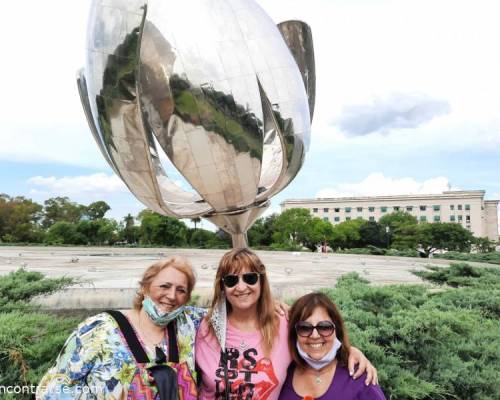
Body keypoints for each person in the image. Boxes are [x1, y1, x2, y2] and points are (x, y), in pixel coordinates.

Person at [195, 248, 377, 400]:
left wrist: (350, 351)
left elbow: (316, 338)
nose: (241, 287)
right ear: (222, 286)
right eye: (231, 280)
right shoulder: (204, 327)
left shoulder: (283, 323)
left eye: (250, 278)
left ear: (261, 281)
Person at [37, 256, 205, 399]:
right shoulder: (99, 329)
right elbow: (54, 389)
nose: (172, 296)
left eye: (181, 290)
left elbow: (226, 310)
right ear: (144, 287)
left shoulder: (188, 324)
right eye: (164, 286)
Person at [278, 292, 386, 400]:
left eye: (324, 327)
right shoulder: (282, 374)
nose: (315, 335)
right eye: (305, 328)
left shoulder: (360, 378)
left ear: (336, 330)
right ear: (294, 333)